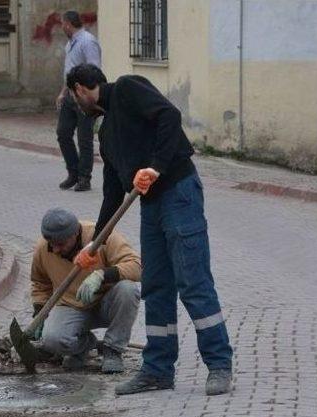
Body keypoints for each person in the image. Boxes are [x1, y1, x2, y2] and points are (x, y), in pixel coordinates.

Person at [66, 64, 233, 396]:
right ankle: (157, 370)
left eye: (73, 95)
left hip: (178, 190)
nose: (75, 102)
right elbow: (113, 192)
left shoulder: (128, 88)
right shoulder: (106, 133)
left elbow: (169, 117)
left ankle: (219, 365)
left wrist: (156, 167)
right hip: (151, 205)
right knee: (156, 285)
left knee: (192, 281)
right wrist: (94, 245)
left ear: (80, 89)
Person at [31, 207, 141, 372]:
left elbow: (136, 266)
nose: (55, 250)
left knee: (128, 289)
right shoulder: (43, 248)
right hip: (71, 306)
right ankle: (85, 346)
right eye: (51, 245)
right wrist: (39, 312)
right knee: (52, 340)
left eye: (60, 244)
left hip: (106, 304)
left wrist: (102, 275)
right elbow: (40, 283)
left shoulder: (102, 236)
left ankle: (113, 350)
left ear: (75, 234)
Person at [55, 11, 101, 192]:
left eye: (62, 24)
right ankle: (73, 172)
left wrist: (88, 96)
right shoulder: (70, 44)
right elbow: (69, 71)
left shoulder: (87, 42)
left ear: (68, 24)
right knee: (63, 133)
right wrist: (62, 92)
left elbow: (94, 71)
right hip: (70, 95)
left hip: (83, 96)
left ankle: (84, 177)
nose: (61, 27)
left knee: (85, 138)